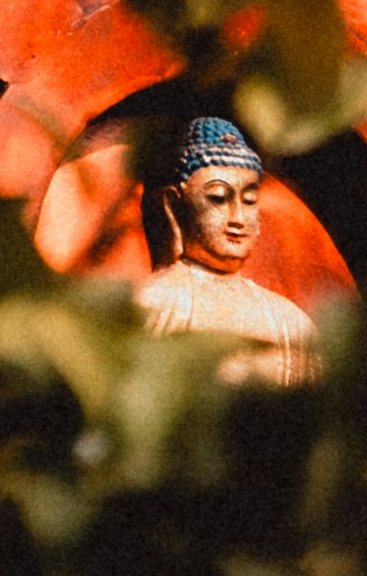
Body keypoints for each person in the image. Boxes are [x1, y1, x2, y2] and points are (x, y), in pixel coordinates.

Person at [135, 112, 316, 379]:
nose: (238, 218)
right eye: (219, 198)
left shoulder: (289, 323)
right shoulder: (154, 305)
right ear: (174, 205)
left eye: (250, 200)